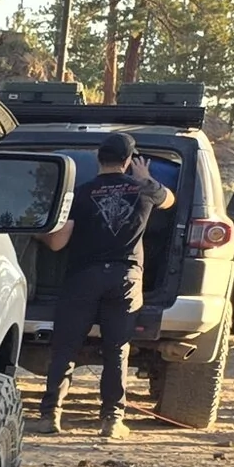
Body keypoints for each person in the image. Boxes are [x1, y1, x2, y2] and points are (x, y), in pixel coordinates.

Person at [35, 132, 176, 438]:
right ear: (128, 161)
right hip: (125, 279)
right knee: (117, 349)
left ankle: (50, 416)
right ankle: (112, 420)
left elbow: (57, 243)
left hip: (83, 278)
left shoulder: (82, 194)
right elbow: (170, 200)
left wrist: (36, 230)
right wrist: (145, 178)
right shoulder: (144, 191)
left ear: (99, 158)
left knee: (65, 348)